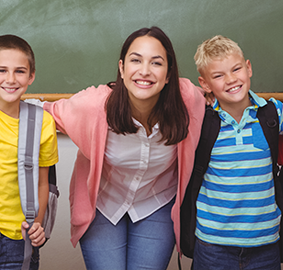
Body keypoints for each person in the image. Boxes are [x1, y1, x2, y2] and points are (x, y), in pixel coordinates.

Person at [44, 26, 205, 270]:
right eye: (136, 60)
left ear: (169, 73)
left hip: (156, 201)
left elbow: (220, 92)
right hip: (103, 204)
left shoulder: (188, 101)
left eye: (156, 63)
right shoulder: (95, 105)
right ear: (121, 68)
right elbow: (43, 114)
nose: (145, 71)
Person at [183, 35, 283, 269]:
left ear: (248, 68)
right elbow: (172, 93)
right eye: (218, 76)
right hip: (212, 246)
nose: (230, 80)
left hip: (266, 244)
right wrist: (197, 94)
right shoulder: (201, 121)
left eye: (236, 69)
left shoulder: (272, 114)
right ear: (205, 83)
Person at [0, 35, 58, 270]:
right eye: (1, 70)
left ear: (31, 76)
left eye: (20, 71)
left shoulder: (43, 123)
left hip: (18, 239)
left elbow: (42, 183)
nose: (10, 79)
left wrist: (38, 223)